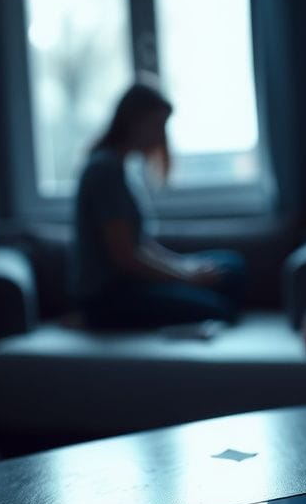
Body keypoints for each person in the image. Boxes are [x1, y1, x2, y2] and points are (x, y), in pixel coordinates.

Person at [71, 82, 246, 329]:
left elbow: (139, 243)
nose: (161, 135)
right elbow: (126, 258)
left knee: (231, 265)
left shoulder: (123, 168)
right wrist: (187, 277)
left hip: (132, 283)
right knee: (220, 309)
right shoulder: (104, 170)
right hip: (109, 297)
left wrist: (185, 266)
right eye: (158, 125)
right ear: (135, 121)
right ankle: (88, 320)